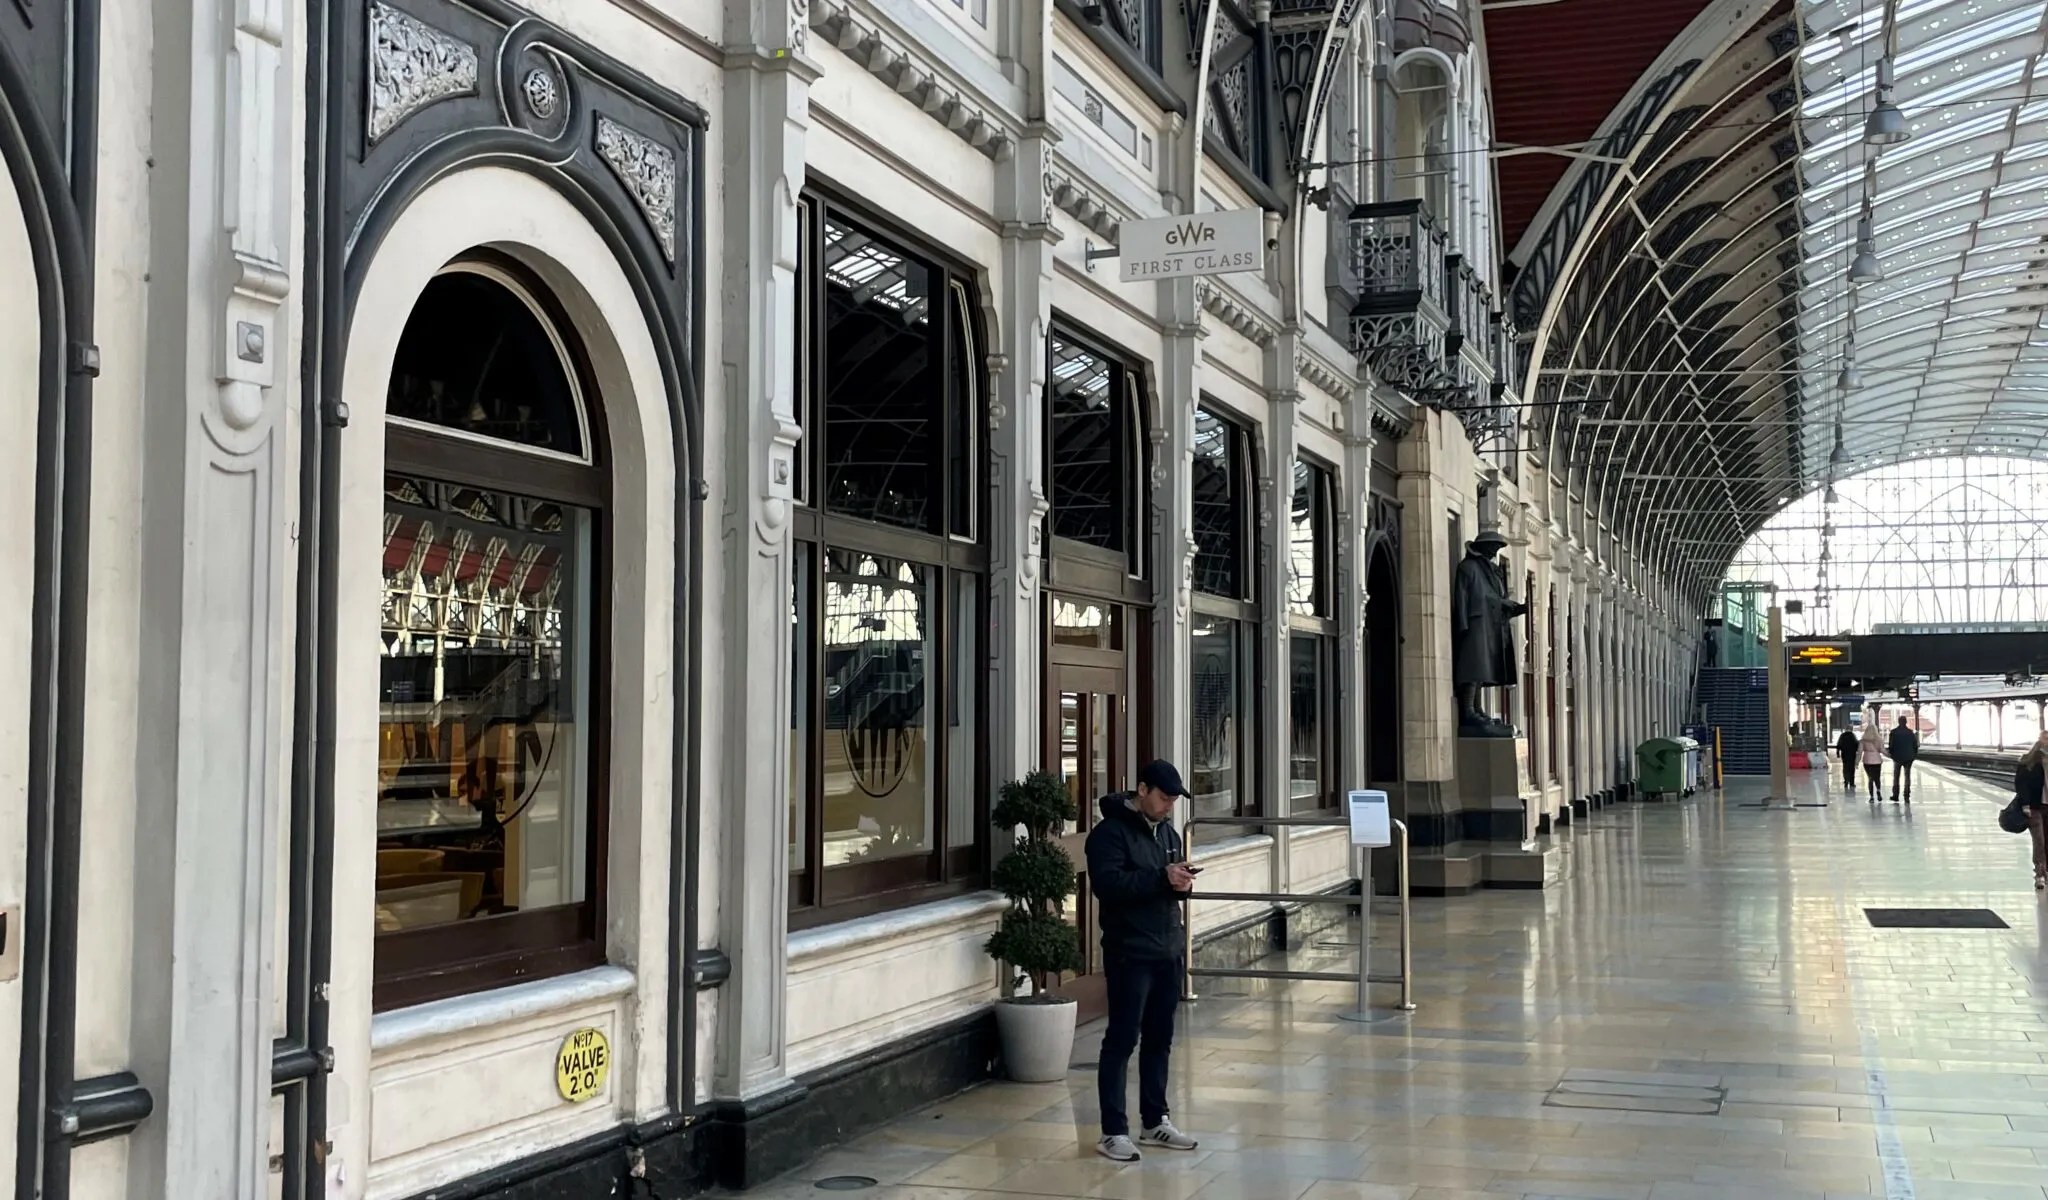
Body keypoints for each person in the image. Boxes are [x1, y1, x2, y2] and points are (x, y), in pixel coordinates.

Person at [1085, 759, 1201, 1163]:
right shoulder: (1109, 835)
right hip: (1129, 951)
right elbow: (1109, 886)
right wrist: (1161, 878)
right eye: (1164, 797)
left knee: (1160, 1039)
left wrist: (1181, 883)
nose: (1169, 806)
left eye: (1174, 800)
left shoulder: (1167, 834)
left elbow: (1167, 883)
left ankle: (1155, 1120)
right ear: (1142, 789)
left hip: (1167, 949)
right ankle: (1113, 1130)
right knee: (1121, 1039)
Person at [2017, 732, 2048, 890]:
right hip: (2036, 807)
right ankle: (2040, 874)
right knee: (2039, 841)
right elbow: (2021, 782)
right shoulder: (2031, 761)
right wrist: (2025, 804)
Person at [1887, 714, 1919, 803]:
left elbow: (1891, 746)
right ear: (1906, 722)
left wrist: (1892, 755)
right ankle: (1907, 795)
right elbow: (1915, 746)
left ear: (1898, 722)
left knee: (1896, 777)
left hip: (1897, 758)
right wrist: (1913, 755)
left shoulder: (1893, 732)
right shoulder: (1910, 733)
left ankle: (1895, 795)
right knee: (1907, 776)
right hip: (1908, 758)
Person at [1859, 725, 1886, 802]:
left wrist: (1856, 762)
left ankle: (1871, 797)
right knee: (1877, 777)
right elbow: (1883, 750)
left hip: (1867, 761)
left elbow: (1860, 752)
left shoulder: (1863, 740)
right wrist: (1890, 755)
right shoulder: (1879, 740)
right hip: (1877, 760)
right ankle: (1878, 790)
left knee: (1870, 778)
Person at [1835, 726, 1860, 793]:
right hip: (1852, 755)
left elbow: (1839, 744)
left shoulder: (1842, 735)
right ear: (1851, 729)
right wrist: (1858, 751)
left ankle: (1846, 781)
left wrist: (1837, 753)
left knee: (1845, 767)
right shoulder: (1853, 736)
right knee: (1852, 768)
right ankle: (1852, 782)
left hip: (1844, 754)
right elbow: (1856, 744)